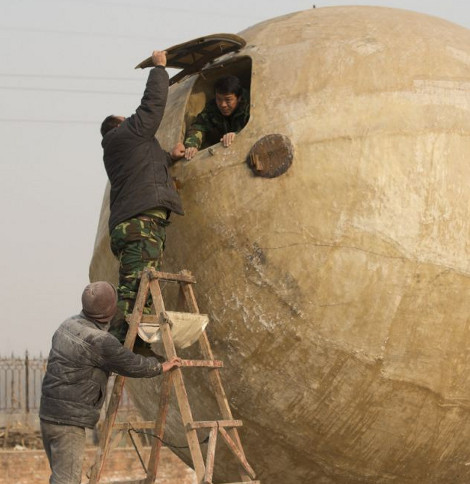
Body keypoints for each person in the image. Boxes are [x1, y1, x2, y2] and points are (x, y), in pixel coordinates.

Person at [39, 281, 182, 484]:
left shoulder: (67, 325)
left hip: (48, 414)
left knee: (59, 476)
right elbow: (132, 364)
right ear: (110, 310)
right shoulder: (99, 341)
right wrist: (160, 366)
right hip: (68, 423)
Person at [100, 50, 185, 347]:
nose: (131, 122)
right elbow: (151, 108)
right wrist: (159, 69)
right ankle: (120, 347)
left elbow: (145, 164)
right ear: (117, 127)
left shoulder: (123, 147)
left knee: (141, 290)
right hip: (139, 224)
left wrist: (168, 158)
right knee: (134, 289)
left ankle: (138, 346)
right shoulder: (124, 135)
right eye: (126, 121)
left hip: (140, 223)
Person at [182, 75, 250, 160]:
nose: (222, 105)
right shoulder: (212, 107)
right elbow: (199, 126)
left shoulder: (250, 106)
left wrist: (237, 135)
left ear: (239, 98)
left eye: (228, 100)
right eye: (219, 99)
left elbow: (256, 128)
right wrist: (192, 145)